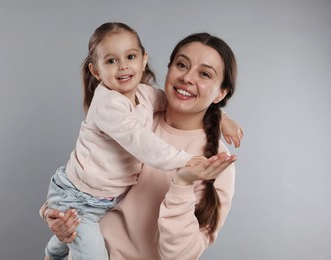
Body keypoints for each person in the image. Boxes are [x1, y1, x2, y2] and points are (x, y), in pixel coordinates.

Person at [43, 22, 242, 260]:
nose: (187, 77)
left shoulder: (215, 162)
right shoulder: (132, 113)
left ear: (221, 93)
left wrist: (182, 184)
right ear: (169, 70)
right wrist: (54, 217)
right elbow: (85, 176)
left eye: (205, 74)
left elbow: (180, 256)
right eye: (181, 65)